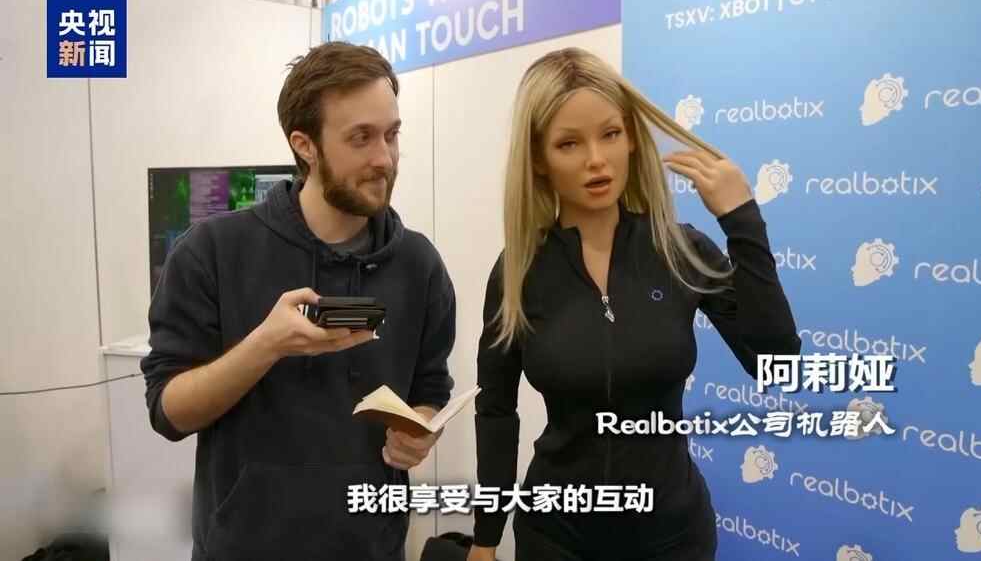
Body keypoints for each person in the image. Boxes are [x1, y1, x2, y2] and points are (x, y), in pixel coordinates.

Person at [467, 48, 801, 561]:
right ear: (538, 158)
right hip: (556, 538)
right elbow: (495, 409)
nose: (596, 159)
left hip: (672, 537)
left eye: (610, 134)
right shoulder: (518, 272)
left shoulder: (679, 250)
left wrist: (742, 221)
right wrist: (486, 538)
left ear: (631, 139)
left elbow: (777, 364)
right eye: (569, 143)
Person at [140, 42, 456, 561]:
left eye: (392, 134)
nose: (384, 158)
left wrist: (419, 429)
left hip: (372, 548)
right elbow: (169, 413)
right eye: (360, 138)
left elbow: (429, 387)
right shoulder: (211, 252)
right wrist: (266, 345)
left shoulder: (418, 265)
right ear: (304, 145)